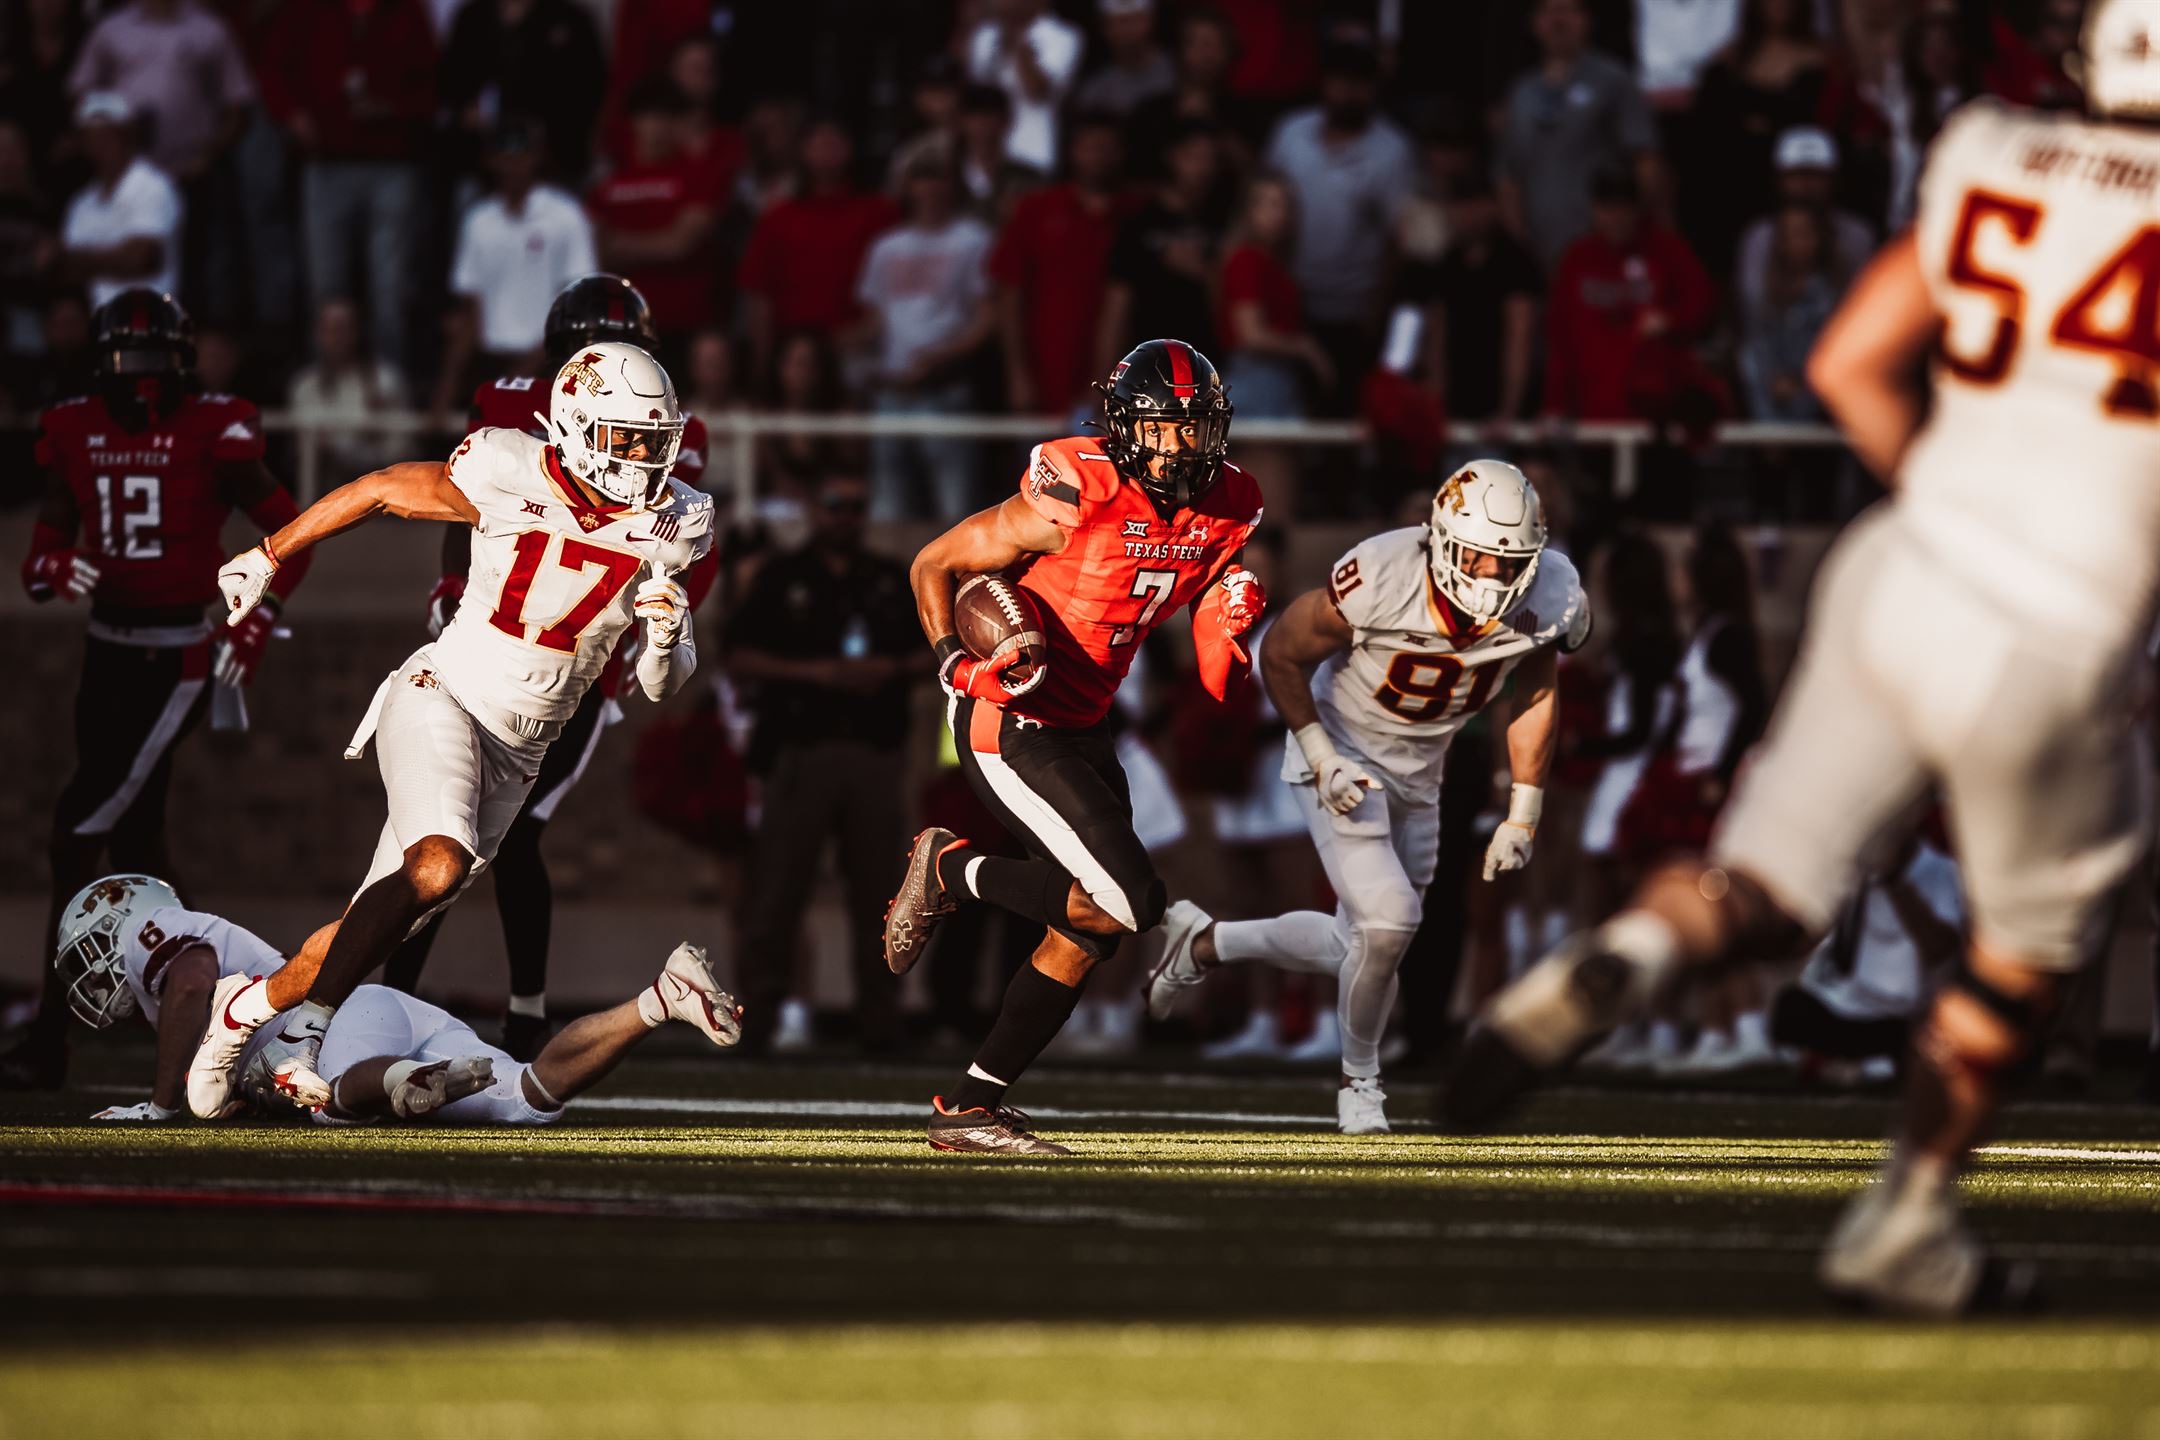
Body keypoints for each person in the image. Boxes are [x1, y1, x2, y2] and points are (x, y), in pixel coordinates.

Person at [1444, 0, 2160, 1317]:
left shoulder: (1993, 147)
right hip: (2060, 626)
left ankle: (1628, 959)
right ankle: (1904, 1223)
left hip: (1903, 561)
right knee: (2026, 960)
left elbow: (1846, 362)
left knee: (1765, 878)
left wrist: (1953, 504)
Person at [188, 340, 711, 1117]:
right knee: (437, 865)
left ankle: (242, 1011)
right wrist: (269, 555)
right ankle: (303, 1037)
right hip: (446, 696)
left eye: (653, 441)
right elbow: (382, 489)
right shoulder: (507, 464)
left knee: (380, 920)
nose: (642, 459)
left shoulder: (681, 519)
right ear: (573, 424)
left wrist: (668, 640)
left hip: (524, 747)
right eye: (625, 439)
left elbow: (661, 685)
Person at [882, 338, 1266, 1154]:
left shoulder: (1229, 502)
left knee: (1092, 924)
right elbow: (933, 563)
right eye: (1162, 428)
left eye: (1195, 428)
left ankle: (971, 1108)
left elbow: (1201, 623)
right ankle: (950, 868)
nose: (1179, 446)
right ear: (1127, 429)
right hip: (1012, 721)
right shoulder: (1077, 489)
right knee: (1136, 899)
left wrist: (1227, 617)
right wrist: (956, 660)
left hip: (1088, 723)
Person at [1145, 461, 1589, 1134]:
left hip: (1422, 773)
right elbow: (1283, 656)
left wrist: (1522, 810)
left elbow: (1534, 686)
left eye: (1510, 562)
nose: (1493, 577)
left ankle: (1206, 944)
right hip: (1343, 751)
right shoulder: (1382, 572)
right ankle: (1360, 1083)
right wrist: (1321, 757)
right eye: (1478, 557)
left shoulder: (1553, 591)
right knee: (1389, 923)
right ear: (1439, 538)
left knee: (1370, 943)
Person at [387, 275, 714, 1060]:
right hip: (487, 654)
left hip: (577, 669)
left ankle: (519, 1009)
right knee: (438, 842)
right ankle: (383, 999)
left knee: (511, 837)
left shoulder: (668, 432)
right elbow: (461, 501)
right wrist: (448, 582)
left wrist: (655, 630)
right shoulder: (506, 415)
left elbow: (678, 556)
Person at [1, 289, 309, 1090]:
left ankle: (47, 1036)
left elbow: (291, 533)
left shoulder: (216, 427)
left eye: (151, 365)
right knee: (136, 844)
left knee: (77, 830)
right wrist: (47, 567)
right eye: (124, 365)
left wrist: (255, 613)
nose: (138, 382)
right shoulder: (74, 427)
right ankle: (208, 1008)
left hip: (176, 654)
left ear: (180, 368)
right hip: (105, 651)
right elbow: (44, 548)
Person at [55, 875, 741, 1125]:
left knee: (330, 1100)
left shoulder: (158, 935)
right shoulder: (178, 952)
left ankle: (398, 1083)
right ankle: (659, 999)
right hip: (383, 1009)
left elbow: (193, 980)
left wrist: (162, 1104)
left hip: (329, 1027)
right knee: (524, 1100)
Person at [727, 475, 921, 1053]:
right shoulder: (783, 576)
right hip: (800, 751)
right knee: (778, 894)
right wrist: (819, 674)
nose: (847, 516)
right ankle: (759, 1020)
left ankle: (881, 1026)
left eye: (858, 506)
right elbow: (737, 655)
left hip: (876, 756)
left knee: (886, 899)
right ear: (815, 509)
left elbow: (932, 649)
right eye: (836, 505)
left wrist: (888, 670)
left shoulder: (890, 579)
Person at [255, 0, 435, 377]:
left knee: (390, 288)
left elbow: (432, 83)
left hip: (391, 163)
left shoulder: (405, 12)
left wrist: (392, 109)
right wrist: (291, 115)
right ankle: (321, 395)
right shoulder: (307, 10)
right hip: (325, 162)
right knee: (325, 289)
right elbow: (272, 69)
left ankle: (390, 393)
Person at [1261, 36, 1417, 409]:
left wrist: (1377, 314)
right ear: (1324, 83)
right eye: (1339, 79)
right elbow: (1260, 210)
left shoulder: (1393, 150)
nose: (1348, 91)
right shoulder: (1291, 133)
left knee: (1345, 416)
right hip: (1289, 303)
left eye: (1359, 82)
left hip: (1356, 312)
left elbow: (1401, 239)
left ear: (1373, 88)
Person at [853, 151, 994, 521]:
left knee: (957, 514)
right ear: (908, 187)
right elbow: (873, 321)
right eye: (922, 177)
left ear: (953, 187)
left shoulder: (974, 240)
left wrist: (940, 358)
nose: (930, 188)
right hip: (892, 392)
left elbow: (987, 319)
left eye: (939, 178)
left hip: (946, 391)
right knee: (887, 510)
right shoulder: (886, 246)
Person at [1498, 0, 1663, 272]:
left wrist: (1631, 229)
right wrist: (1519, 240)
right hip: (1537, 251)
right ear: (1535, 23)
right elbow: (1507, 176)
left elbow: (1645, 159)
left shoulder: (1613, 80)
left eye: (1568, 10)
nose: (1558, 20)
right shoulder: (1521, 92)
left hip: (1604, 248)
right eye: (1549, 11)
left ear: (1587, 19)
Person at [989, 110, 1130, 420]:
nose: (1097, 157)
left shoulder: (1137, 213)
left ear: (1120, 153)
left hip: (1121, 377)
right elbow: (1009, 293)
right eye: (1089, 147)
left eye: (1106, 147)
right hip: (1045, 372)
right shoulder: (1036, 210)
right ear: (1072, 152)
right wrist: (1017, 373)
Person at [442, 116, 597, 392]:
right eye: (504, 155)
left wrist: (528, 368)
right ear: (490, 159)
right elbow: (470, 308)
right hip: (489, 364)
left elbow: (577, 305)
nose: (512, 164)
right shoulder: (478, 220)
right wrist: (448, 385)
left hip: (550, 364)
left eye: (520, 154)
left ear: (537, 157)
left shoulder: (566, 216)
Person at [736, 116, 899, 378]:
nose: (827, 151)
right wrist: (762, 363)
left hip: (864, 351)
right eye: (819, 143)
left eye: (835, 143)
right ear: (803, 150)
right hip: (793, 358)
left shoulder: (881, 212)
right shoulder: (778, 218)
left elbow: (901, 287)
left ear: (850, 150)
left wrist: (869, 328)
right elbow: (758, 296)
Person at [588, 79, 724, 353]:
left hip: (685, 321)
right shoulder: (607, 186)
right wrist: (658, 242)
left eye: (667, 117)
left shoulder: (698, 176)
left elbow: (681, 245)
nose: (658, 127)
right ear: (634, 123)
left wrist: (622, 244)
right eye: (649, 117)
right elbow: (595, 251)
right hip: (623, 328)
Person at [1097, 118, 1229, 370]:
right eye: (1194, 157)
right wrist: (1105, 378)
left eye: (1211, 159)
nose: (1203, 168)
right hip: (1148, 368)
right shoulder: (1139, 225)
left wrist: (1204, 273)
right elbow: (1116, 307)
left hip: (1204, 370)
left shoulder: (1221, 223)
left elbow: (1232, 309)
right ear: (1172, 157)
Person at [53, 92, 181, 309]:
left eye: (108, 135)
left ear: (127, 137)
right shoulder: (81, 202)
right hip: (99, 324)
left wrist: (80, 259)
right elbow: (63, 270)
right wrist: (114, 256)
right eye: (91, 137)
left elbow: (142, 259)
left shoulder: (152, 185)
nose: (100, 145)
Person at [1733, 127, 1875, 324]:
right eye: (1797, 175)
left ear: (1834, 179)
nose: (1806, 185)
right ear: (1779, 179)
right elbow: (1754, 313)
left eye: (1815, 176)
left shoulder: (1858, 235)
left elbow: (1865, 310)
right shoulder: (1758, 237)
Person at [1738, 202, 1845, 421]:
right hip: (1776, 384)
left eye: (1805, 234)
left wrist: (1804, 382)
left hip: (1820, 384)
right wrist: (1775, 376)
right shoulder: (1767, 290)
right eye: (1789, 235)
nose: (1797, 243)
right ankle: (1771, 440)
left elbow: (1836, 342)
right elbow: (1760, 338)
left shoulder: (1835, 290)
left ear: (1821, 237)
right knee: (1750, 359)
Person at [287, 297, 410, 478]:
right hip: (320, 492)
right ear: (317, 334)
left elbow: (402, 448)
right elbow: (300, 449)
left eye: (342, 328)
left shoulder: (386, 380)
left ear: (357, 332)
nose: (336, 337)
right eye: (328, 329)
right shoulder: (303, 386)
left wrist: (355, 460)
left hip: (375, 490)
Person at [964, 0, 1084, 175]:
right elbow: (975, 96)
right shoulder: (984, 35)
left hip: (1034, 152)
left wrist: (1018, 45)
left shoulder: (1064, 35)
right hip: (985, 155)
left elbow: (1036, 92)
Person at [1073, 0, 1175, 117]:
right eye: (1120, 22)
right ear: (1104, 27)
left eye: (1134, 20)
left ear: (1151, 20)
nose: (1127, 30)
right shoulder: (1094, 91)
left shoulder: (1178, 71)